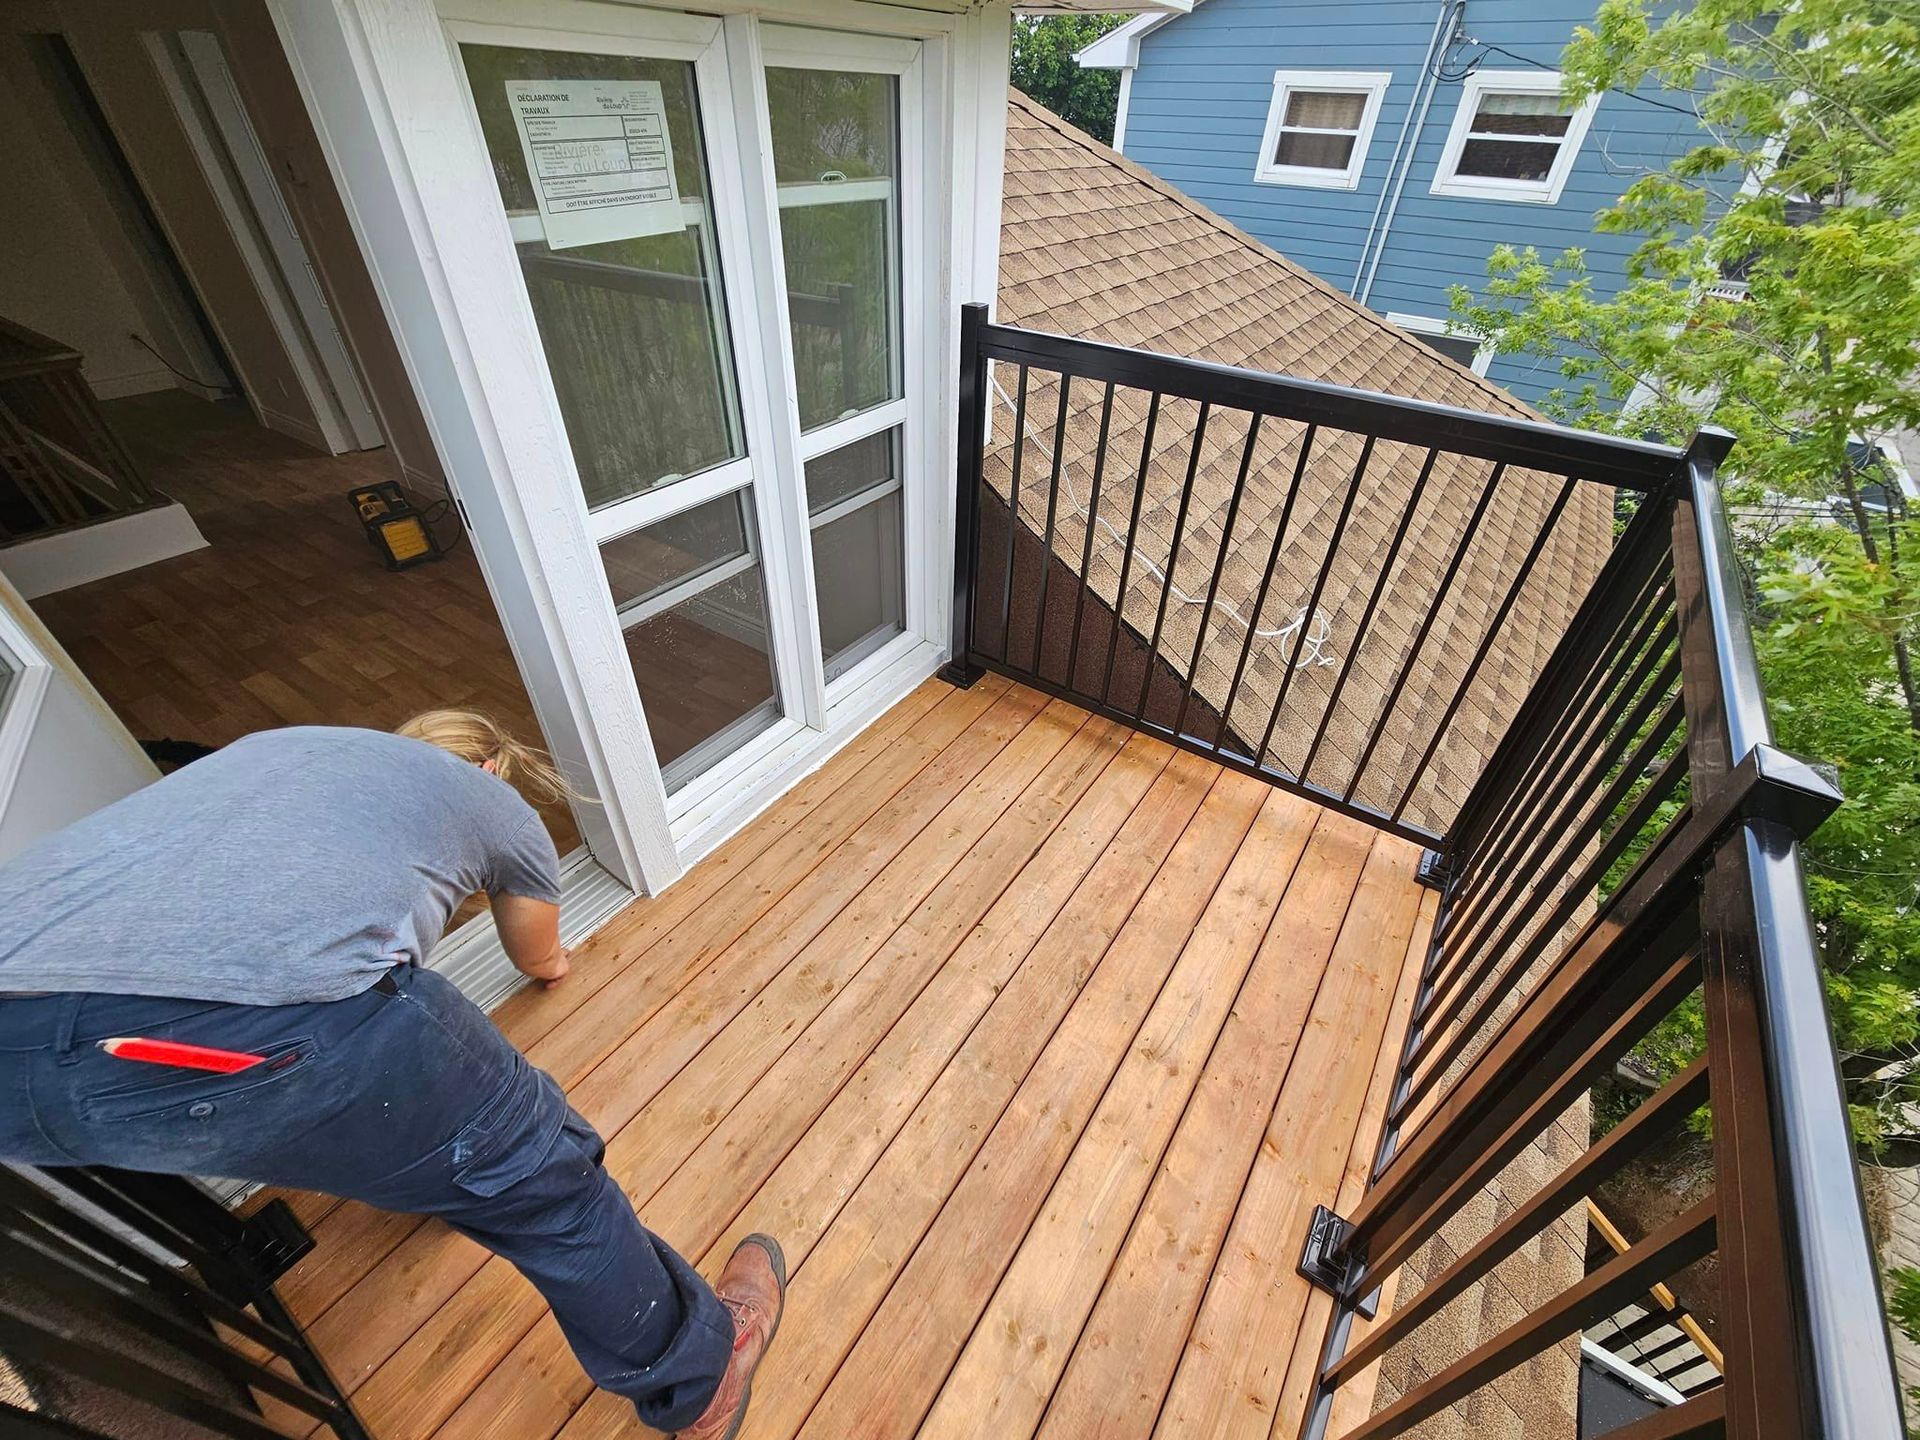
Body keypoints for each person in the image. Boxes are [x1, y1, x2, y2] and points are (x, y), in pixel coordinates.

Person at [0, 711, 783, 1440]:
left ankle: (441, 1173)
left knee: (406, 1124)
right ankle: (701, 1379)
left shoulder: (287, 748)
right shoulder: (490, 799)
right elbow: (540, 957)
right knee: (546, 1178)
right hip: (229, 1035)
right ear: (488, 765)